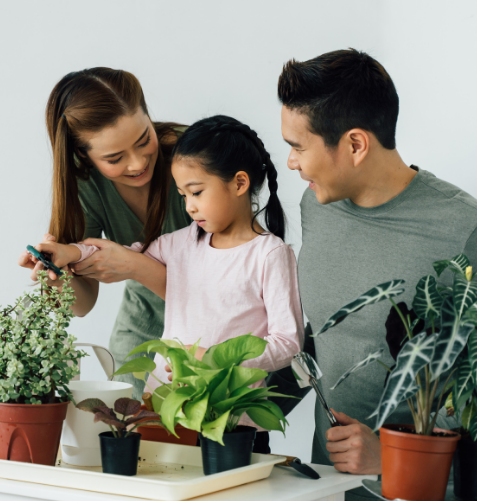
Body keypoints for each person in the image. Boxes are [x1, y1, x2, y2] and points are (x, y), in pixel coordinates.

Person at [277, 49, 477, 499]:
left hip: (423, 490)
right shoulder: (318, 205)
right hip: (326, 487)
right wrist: (243, 405)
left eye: (297, 146)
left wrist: (392, 453)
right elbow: (326, 336)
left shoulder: (470, 230)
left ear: (354, 145)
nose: (291, 162)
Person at [31, 115, 305, 453]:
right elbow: (123, 254)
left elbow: (288, 343)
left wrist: (217, 359)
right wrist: (69, 252)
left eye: (196, 192)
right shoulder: (180, 243)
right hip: (166, 414)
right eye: (182, 195)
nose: (189, 206)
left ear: (239, 183)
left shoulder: (270, 255)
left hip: (231, 423)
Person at [17, 68, 192, 399]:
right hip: (143, 325)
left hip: (218, 326)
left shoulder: (198, 156)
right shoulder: (85, 185)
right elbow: (83, 305)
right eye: (114, 158)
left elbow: (225, 292)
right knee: (129, 428)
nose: (138, 162)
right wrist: (60, 280)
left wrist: (133, 265)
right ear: (84, 155)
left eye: (144, 140)